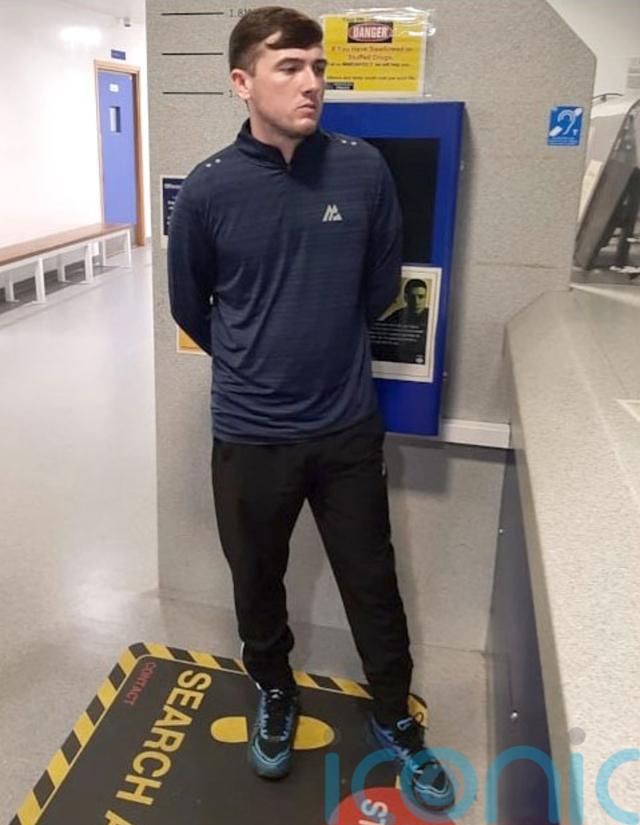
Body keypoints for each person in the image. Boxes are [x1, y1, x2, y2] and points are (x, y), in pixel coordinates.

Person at [167, 6, 454, 812]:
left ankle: (395, 713)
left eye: (319, 68)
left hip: (345, 427)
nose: (311, 83)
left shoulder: (363, 171)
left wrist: (316, 349)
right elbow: (191, 306)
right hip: (250, 432)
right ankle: (275, 689)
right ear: (242, 82)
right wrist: (258, 359)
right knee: (257, 577)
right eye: (289, 66)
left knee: (372, 579)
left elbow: (380, 284)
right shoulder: (209, 188)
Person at [381, 278, 429, 364]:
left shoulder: (431, 316)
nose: (416, 301)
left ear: (426, 297)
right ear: (405, 297)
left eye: (421, 296)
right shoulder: (395, 317)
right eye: (412, 297)